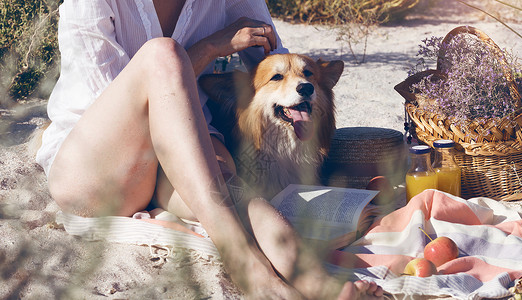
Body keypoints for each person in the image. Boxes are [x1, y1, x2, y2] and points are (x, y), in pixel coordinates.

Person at [36, 0, 384, 299]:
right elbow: (120, 106)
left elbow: (277, 61)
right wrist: (209, 48)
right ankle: (244, 262)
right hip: (97, 171)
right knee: (162, 53)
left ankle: (318, 285)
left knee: (243, 198)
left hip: (176, 158)